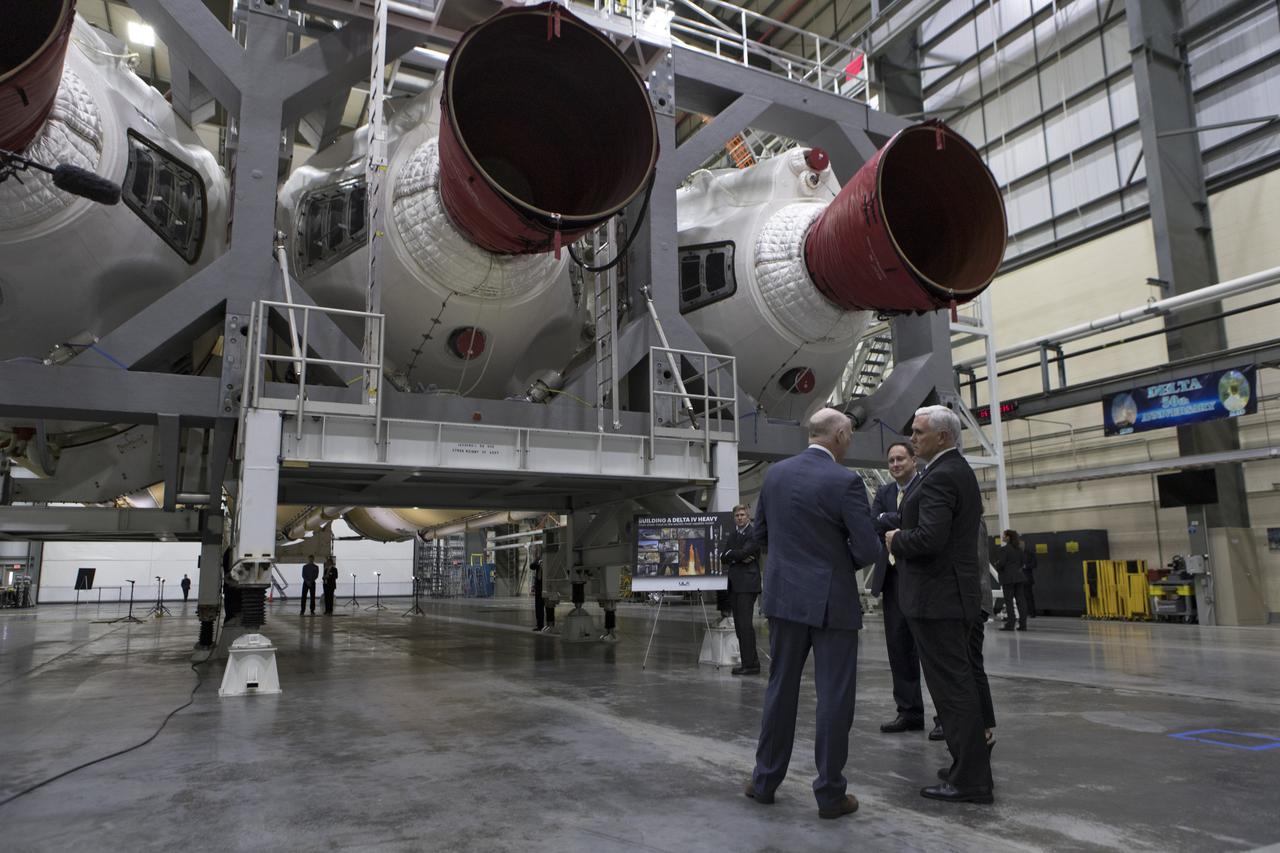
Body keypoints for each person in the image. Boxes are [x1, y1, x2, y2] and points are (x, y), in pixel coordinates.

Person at [744, 408, 879, 820]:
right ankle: (829, 794)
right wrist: (838, 561)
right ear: (838, 435)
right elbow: (870, 549)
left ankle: (764, 781)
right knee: (834, 697)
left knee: (780, 689)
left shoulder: (775, 476)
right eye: (850, 433)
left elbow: (760, 535)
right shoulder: (846, 481)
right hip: (831, 602)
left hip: (784, 598)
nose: (851, 439)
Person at [886, 404, 993, 804]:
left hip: (939, 600)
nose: (912, 439)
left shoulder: (940, 477)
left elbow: (930, 538)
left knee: (953, 691)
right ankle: (969, 767)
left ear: (942, 437)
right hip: (953, 596)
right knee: (957, 686)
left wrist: (897, 539)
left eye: (918, 433)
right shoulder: (956, 471)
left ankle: (971, 780)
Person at [868, 441, 926, 735]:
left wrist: (891, 519)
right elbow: (874, 522)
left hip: (921, 579)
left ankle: (945, 718)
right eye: (890, 460)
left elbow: (913, 522)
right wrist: (898, 521)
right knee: (899, 649)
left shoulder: (926, 486)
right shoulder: (885, 492)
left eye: (900, 458)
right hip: (892, 581)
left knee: (930, 650)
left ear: (914, 460)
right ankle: (909, 712)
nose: (894, 464)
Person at [722, 504, 762, 676]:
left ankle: (751, 665)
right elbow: (724, 557)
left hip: (747, 585)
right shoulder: (733, 535)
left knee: (745, 626)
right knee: (739, 626)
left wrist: (734, 554)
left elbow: (743, 553)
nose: (739, 517)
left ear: (748, 516)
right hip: (735, 585)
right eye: (737, 515)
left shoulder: (753, 534)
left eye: (742, 514)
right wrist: (736, 555)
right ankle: (747, 662)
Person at [997, 531, 1029, 632]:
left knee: (1009, 602)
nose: (1002, 537)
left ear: (1008, 538)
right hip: (1019, 577)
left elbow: (1001, 564)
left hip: (1008, 578)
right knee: (1021, 601)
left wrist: (997, 565)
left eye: (1004, 535)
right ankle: (1023, 625)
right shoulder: (1019, 549)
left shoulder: (1004, 549)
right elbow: (1023, 562)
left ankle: (1010, 624)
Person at [530, 550, 545, 632]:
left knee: (548, 606)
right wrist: (538, 563)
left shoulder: (549, 560)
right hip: (538, 586)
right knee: (538, 607)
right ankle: (540, 625)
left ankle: (550, 624)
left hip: (546, 585)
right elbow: (531, 566)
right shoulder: (538, 559)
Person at [1022, 543, 1038, 616]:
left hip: (1027, 578)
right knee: (1021, 597)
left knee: (1029, 596)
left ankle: (1032, 612)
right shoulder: (1016, 553)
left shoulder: (1029, 554)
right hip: (1018, 578)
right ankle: (1023, 612)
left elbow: (1034, 564)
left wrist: (1025, 566)